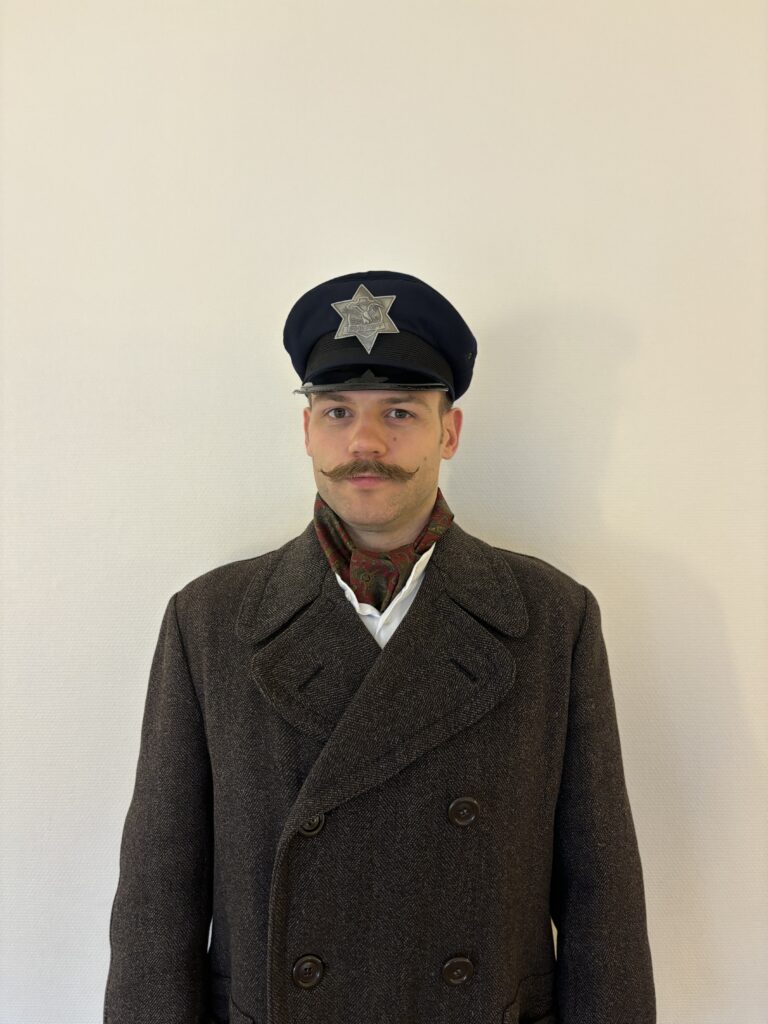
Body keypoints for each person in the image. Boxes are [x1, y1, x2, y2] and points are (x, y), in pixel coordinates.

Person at [103, 270, 656, 1024]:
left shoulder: (553, 619)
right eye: (338, 411)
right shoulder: (209, 621)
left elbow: (602, 896)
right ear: (307, 430)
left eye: (399, 411)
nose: (365, 442)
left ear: (449, 431)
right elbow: (157, 900)